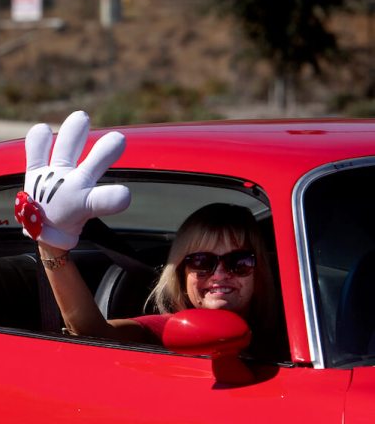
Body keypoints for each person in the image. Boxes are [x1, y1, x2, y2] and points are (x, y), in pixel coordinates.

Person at [16, 110, 282, 358]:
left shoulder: (294, 326)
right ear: (181, 274)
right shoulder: (169, 329)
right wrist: (51, 242)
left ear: (259, 271)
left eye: (239, 262)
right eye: (201, 262)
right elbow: (92, 331)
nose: (220, 275)